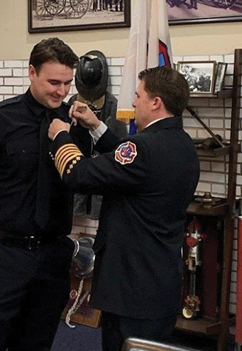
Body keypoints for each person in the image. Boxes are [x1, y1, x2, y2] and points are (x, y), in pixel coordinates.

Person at [0, 37, 90, 351]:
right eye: (54, 82)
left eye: (68, 83)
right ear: (31, 72)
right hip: (1, 253)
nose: (61, 91)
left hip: (51, 256)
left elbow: (82, 176)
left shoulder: (74, 122)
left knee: (37, 342)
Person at [48, 66, 200, 351]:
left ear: (156, 102)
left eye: (138, 95)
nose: (133, 102)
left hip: (130, 289)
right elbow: (129, 164)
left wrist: (60, 137)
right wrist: (96, 125)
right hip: (158, 285)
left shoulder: (143, 148)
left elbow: (78, 174)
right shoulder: (182, 144)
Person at [68, 50, 127, 219]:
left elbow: (119, 144)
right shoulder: (72, 103)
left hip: (102, 177)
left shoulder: (113, 106)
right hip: (79, 174)